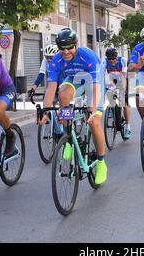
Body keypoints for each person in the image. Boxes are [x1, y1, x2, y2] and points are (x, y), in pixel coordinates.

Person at [39, 28, 108, 185]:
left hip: (93, 82)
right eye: (62, 49)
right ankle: (69, 137)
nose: (66, 52)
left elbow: (96, 87)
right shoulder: (56, 61)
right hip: (75, 79)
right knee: (62, 93)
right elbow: (51, 88)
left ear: (76, 45)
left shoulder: (88, 56)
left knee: (94, 121)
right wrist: (45, 110)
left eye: (69, 47)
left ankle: (101, 163)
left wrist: (94, 110)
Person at [102, 47, 131, 139]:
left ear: (116, 57)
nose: (111, 61)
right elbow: (101, 75)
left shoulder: (122, 60)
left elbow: (123, 76)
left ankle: (128, 127)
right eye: (109, 59)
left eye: (113, 59)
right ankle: (112, 107)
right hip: (112, 80)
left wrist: (123, 90)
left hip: (123, 79)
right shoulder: (105, 62)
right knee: (108, 92)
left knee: (124, 102)